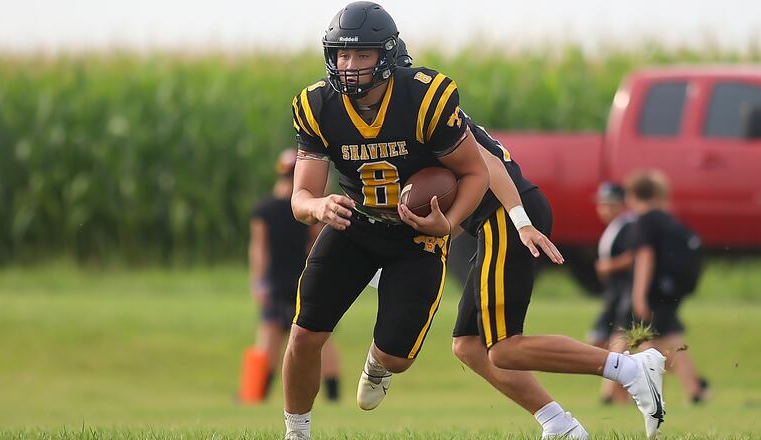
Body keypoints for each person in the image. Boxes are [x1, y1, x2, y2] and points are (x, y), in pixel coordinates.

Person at [396, 40, 665, 439]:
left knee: (504, 347)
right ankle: (560, 425)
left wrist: (520, 222)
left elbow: (489, 166)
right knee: (468, 346)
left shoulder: (425, 111)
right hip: (493, 220)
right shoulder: (395, 117)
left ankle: (630, 368)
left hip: (506, 215)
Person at [282, 3, 490, 439]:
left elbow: (475, 173)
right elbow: (301, 197)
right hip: (354, 225)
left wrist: (447, 224)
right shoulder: (317, 104)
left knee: (398, 356)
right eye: (342, 55)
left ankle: (380, 364)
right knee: (304, 333)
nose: (349, 66)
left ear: (387, 57)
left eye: (362, 56)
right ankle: (296, 432)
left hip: (417, 235)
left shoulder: (423, 97)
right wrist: (319, 207)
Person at [240, 149, 340, 404]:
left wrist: (258, 281)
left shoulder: (264, 210)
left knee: (268, 340)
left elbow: (259, 250)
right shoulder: (309, 209)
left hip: (275, 282)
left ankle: (255, 396)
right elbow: (317, 242)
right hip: (303, 278)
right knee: (320, 339)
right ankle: (333, 396)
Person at [624, 170, 709, 405]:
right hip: (672, 288)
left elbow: (645, 256)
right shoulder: (666, 218)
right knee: (669, 338)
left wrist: (639, 294)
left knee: (645, 342)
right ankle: (695, 390)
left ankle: (651, 395)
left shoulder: (644, 220)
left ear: (632, 196)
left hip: (655, 291)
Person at [589, 182, 636, 405]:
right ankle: (618, 386)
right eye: (601, 204)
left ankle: (610, 392)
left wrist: (609, 266)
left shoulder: (628, 227)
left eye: (609, 205)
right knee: (598, 339)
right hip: (614, 293)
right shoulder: (615, 227)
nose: (604, 209)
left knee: (619, 337)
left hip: (625, 291)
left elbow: (634, 255)